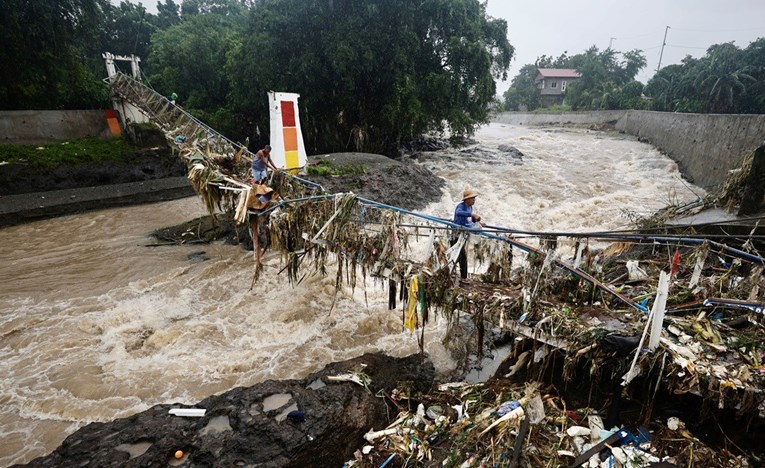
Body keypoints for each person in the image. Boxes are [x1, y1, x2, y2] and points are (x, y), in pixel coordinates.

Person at [451, 188, 483, 279]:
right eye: (472, 198)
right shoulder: (460, 206)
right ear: (467, 199)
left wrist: (477, 221)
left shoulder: (470, 207)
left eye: (474, 198)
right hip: (456, 234)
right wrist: (472, 215)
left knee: (458, 256)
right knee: (460, 256)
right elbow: (459, 213)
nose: (474, 200)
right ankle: (462, 277)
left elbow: (469, 220)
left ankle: (457, 275)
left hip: (464, 234)